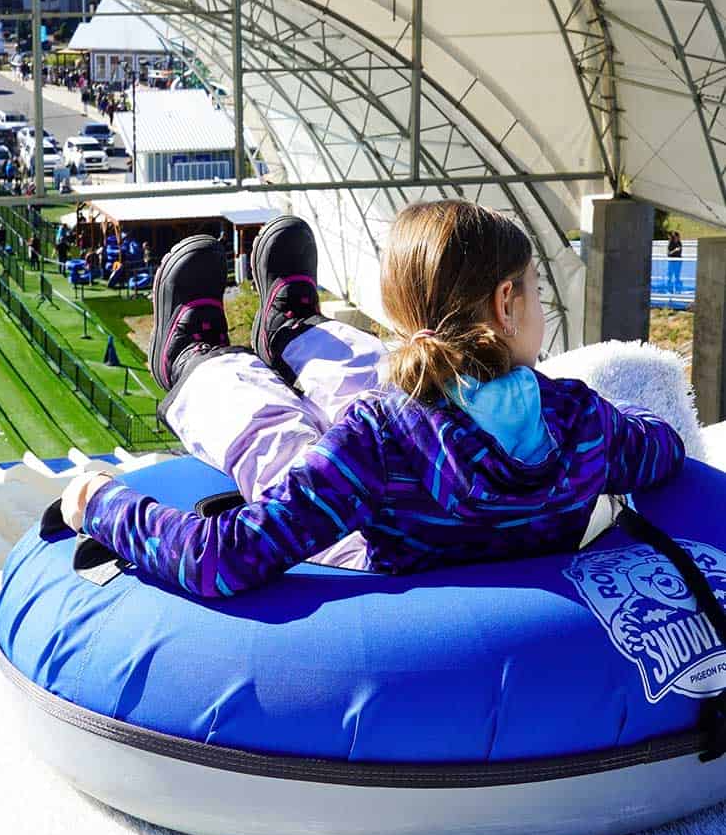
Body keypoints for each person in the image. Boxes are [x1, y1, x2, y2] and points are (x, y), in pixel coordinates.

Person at [58, 201, 685, 598]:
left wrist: (102, 503)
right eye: (535, 291)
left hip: (384, 542)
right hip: (451, 485)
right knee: (383, 381)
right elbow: (665, 447)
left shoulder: (378, 438)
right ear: (505, 302)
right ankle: (294, 333)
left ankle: (203, 364)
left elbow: (223, 558)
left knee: (276, 437)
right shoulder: (585, 422)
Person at [667, 229, 683, 296]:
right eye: (678, 237)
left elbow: (679, 253)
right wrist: (675, 250)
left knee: (677, 277)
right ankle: (670, 291)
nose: (679, 238)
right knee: (669, 277)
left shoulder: (679, 243)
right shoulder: (671, 243)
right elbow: (668, 254)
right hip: (671, 262)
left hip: (678, 262)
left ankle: (678, 291)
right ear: (675, 237)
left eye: (679, 237)